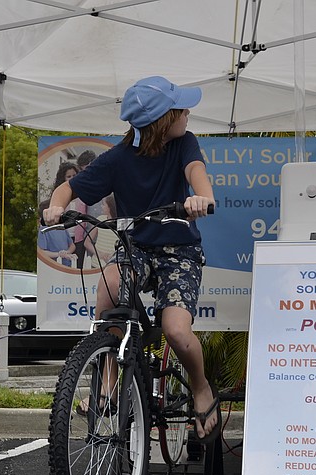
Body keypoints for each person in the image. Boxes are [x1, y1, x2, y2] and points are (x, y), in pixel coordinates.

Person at [43, 76, 218, 443]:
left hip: (178, 251)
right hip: (136, 246)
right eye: (181, 109)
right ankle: (107, 381)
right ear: (161, 122)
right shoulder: (119, 159)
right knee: (108, 288)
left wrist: (201, 197)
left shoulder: (183, 143)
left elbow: (195, 172)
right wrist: (58, 205)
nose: (188, 112)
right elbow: (68, 188)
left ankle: (201, 388)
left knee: (176, 331)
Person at [37, 199, 75, 267]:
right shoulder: (43, 230)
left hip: (67, 265)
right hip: (53, 267)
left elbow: (72, 246)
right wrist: (59, 254)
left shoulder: (62, 227)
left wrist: (67, 253)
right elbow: (41, 252)